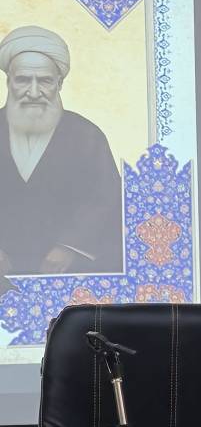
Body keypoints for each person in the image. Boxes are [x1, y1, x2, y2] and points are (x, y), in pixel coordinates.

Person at [0, 25, 123, 279]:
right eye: (23, 80)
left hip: (71, 270)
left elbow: (106, 197)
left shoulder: (87, 135)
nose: (34, 92)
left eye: (45, 81)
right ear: (8, 81)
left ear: (60, 83)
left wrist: (70, 247)